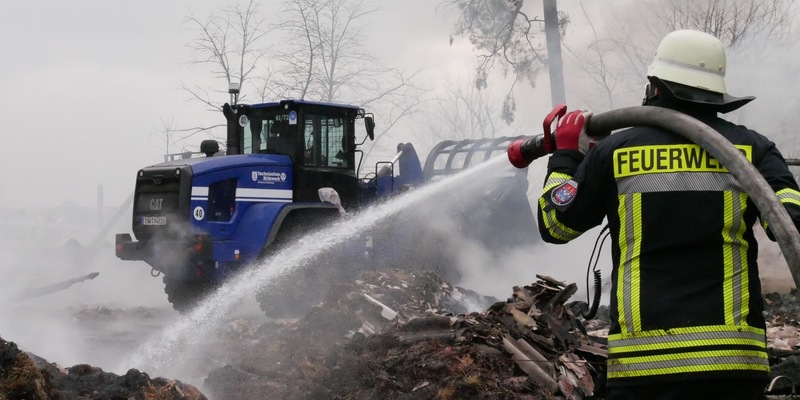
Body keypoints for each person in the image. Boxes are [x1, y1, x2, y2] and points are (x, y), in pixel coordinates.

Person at [536, 29, 800, 399]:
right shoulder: (752, 148)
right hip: (734, 367)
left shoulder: (614, 151)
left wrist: (566, 155)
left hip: (643, 369)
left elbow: (555, 224)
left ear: (655, 87)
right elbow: (790, 224)